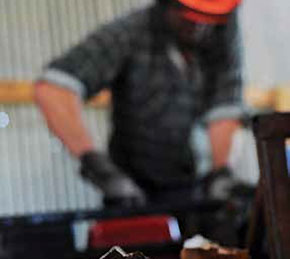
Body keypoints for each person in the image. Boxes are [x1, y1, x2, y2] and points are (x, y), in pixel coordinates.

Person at [34, 0, 245, 207]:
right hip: (137, 194)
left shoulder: (221, 32)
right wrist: (98, 166)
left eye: (209, 19)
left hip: (198, 192)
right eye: (189, 18)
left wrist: (222, 171)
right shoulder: (131, 32)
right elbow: (54, 88)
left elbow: (225, 103)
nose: (200, 27)